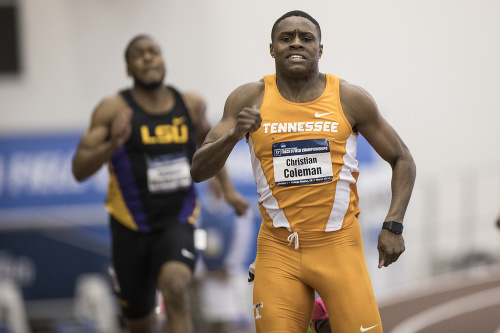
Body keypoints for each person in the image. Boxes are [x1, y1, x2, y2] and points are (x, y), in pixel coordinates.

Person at [190, 10, 416, 333]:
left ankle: (321, 315)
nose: (296, 43)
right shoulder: (248, 99)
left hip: (338, 246)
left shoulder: (349, 98)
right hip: (278, 250)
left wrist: (393, 225)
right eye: (286, 38)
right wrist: (233, 135)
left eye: (306, 38)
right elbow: (199, 169)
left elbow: (403, 158)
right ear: (271, 48)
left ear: (320, 49)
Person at [72, 34, 248, 333]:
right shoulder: (113, 110)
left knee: (175, 287)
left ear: (163, 59)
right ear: (128, 69)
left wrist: (228, 191)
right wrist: (112, 143)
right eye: (138, 55)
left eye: (153, 51)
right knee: (139, 323)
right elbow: (79, 169)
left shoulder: (191, 105)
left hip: (177, 221)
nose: (148, 58)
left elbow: (210, 148)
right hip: (130, 227)